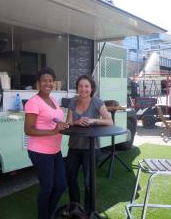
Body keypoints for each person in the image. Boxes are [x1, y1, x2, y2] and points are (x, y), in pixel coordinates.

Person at [24, 67, 68, 219]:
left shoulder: (53, 100)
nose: (47, 83)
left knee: (61, 184)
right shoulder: (33, 102)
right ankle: (43, 216)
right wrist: (54, 131)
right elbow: (28, 130)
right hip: (40, 151)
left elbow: (55, 122)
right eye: (44, 81)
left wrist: (63, 126)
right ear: (38, 83)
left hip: (55, 150)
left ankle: (48, 212)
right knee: (47, 187)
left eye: (50, 81)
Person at [66, 75, 113, 214]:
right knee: (70, 179)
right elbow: (68, 122)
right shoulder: (72, 102)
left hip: (91, 149)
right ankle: (76, 208)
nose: (83, 89)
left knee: (88, 183)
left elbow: (110, 122)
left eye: (86, 86)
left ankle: (88, 211)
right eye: (81, 86)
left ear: (92, 88)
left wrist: (93, 121)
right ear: (77, 88)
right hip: (74, 147)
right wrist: (76, 122)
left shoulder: (97, 102)